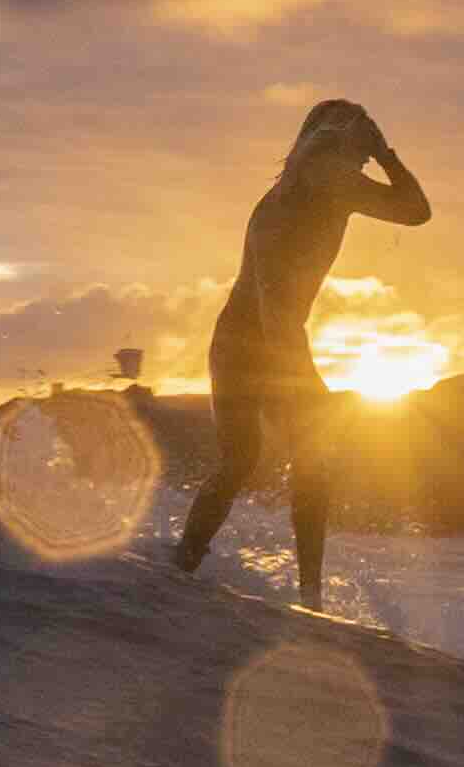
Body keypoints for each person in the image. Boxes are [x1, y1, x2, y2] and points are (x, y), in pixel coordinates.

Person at [172, 97, 428, 600]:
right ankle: (186, 563)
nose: (357, 163)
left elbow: (417, 212)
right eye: (354, 147)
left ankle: (307, 592)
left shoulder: (338, 188)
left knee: (296, 460)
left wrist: (386, 153)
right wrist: (299, 374)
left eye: (362, 151)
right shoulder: (282, 206)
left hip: (276, 338)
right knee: (243, 459)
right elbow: (270, 299)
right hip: (244, 343)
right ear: (322, 149)